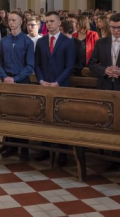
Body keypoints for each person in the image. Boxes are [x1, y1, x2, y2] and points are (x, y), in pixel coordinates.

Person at [33, 11, 74, 163]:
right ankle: (44, 148)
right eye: (47, 21)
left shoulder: (67, 42)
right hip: (45, 85)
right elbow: (37, 64)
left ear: (59, 23)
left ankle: (63, 152)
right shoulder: (41, 41)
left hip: (60, 85)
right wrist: (41, 80)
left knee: (61, 119)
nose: (49, 24)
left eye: (51, 21)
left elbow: (70, 66)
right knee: (45, 117)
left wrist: (58, 82)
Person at [0, 11, 35, 160]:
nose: (11, 22)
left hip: (22, 83)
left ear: (20, 22)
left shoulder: (27, 41)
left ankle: (23, 148)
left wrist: (16, 78)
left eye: (14, 20)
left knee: (22, 116)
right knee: (7, 115)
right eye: (9, 20)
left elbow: (30, 66)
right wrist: (5, 77)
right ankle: (10, 146)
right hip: (6, 83)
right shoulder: (4, 41)